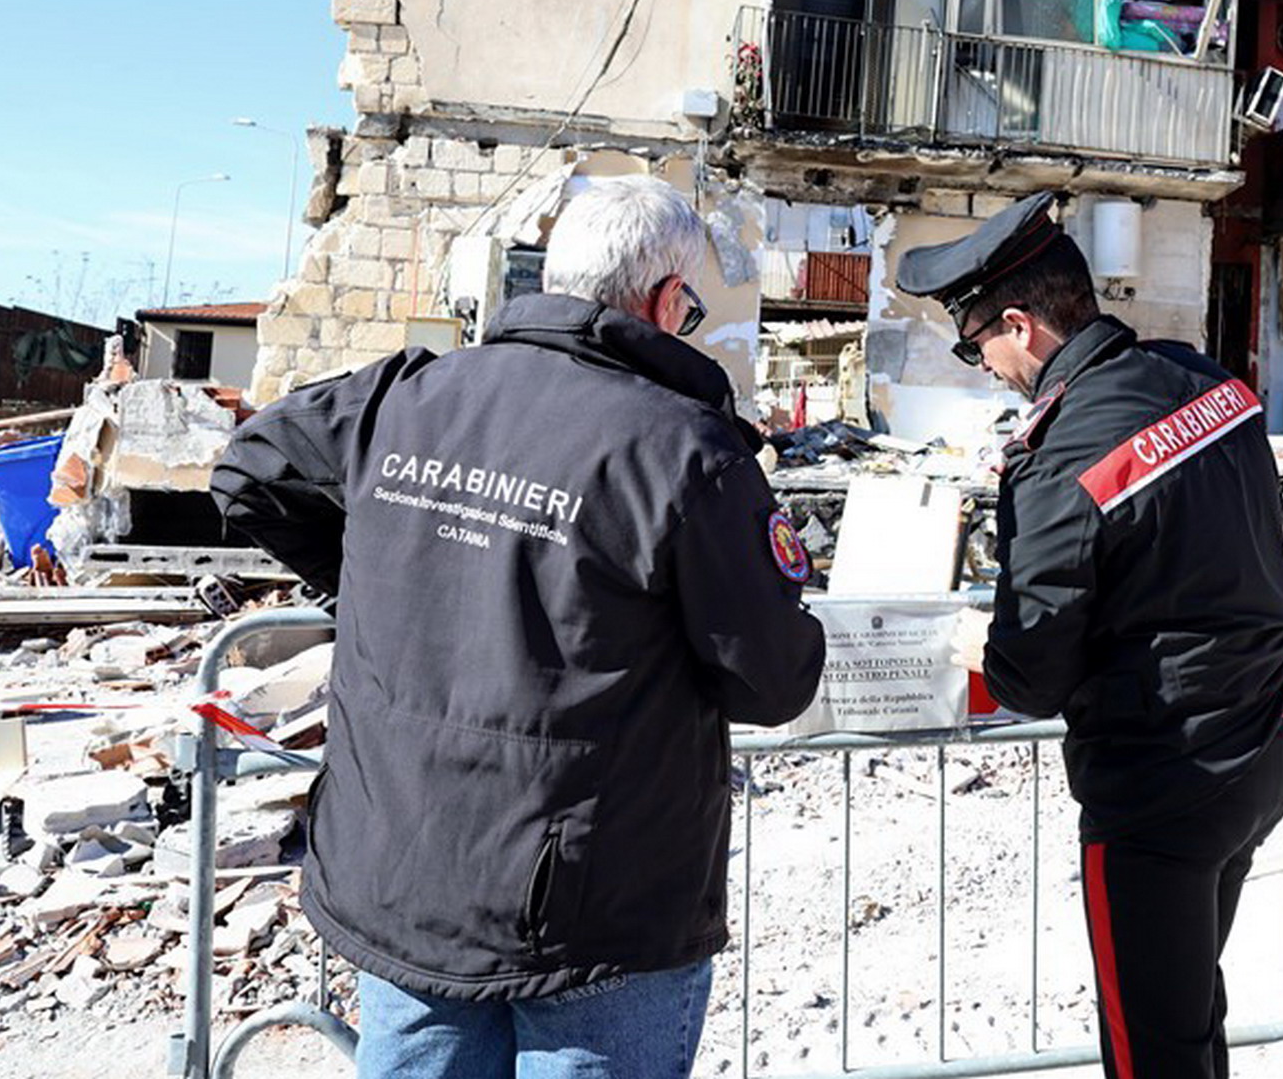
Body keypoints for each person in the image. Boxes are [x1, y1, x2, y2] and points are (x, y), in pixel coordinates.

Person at [212, 175, 824, 1079]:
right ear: (662, 300)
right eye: (689, 308)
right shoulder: (681, 448)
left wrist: (382, 578)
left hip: (410, 871)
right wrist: (371, 584)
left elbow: (249, 465)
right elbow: (772, 680)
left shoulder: (408, 395)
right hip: (594, 908)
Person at [896, 191, 1283, 1079]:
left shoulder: (1057, 462)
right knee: (1190, 1010)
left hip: (1163, 786)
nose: (985, 366)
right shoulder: (1212, 382)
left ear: (1022, 325)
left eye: (979, 346)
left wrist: (985, 645)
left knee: (1150, 1050)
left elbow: (1033, 676)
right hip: (1266, 745)